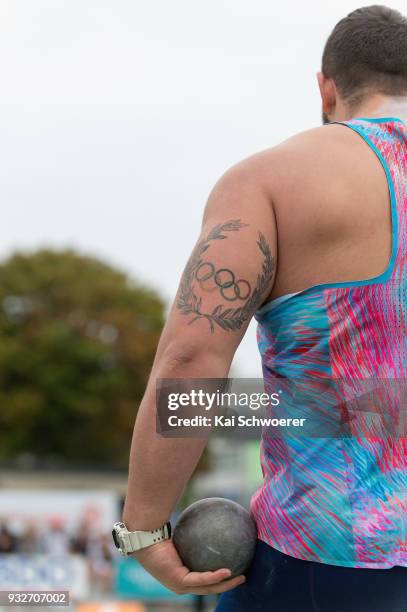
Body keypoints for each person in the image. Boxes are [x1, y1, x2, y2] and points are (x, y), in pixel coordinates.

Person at [120, 5, 407, 611]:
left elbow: (195, 354)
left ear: (326, 87)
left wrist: (144, 525)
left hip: (329, 560)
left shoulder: (273, 179)